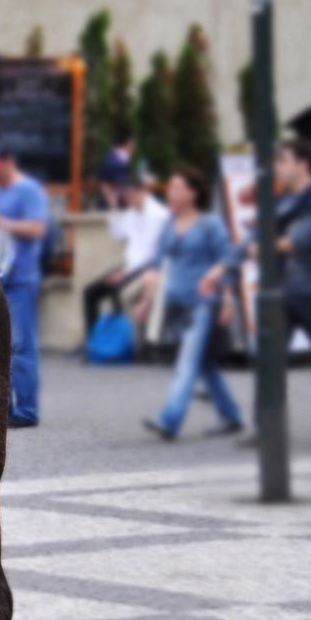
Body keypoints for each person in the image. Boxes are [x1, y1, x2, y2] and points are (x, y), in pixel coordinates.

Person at [204, 138, 311, 443]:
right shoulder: (282, 202)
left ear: (303, 163)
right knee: (269, 358)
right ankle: (266, 427)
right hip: (284, 292)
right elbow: (254, 236)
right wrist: (223, 267)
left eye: (282, 160)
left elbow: (303, 238)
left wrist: (271, 247)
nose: (277, 168)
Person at [138, 168, 244, 440]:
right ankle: (231, 415)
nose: (171, 193)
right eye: (170, 188)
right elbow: (156, 265)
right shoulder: (169, 225)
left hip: (204, 303)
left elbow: (228, 260)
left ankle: (170, 419)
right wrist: (146, 301)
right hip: (177, 304)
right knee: (205, 365)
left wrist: (229, 301)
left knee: (186, 364)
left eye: (176, 187)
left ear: (192, 192)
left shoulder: (210, 223)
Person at [0, 144, 50, 428]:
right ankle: (3, 408)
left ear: (8, 162)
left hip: (21, 278)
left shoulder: (28, 190)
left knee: (21, 345)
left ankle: (27, 410)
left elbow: (38, 229)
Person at [81, 178, 170, 340]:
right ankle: (93, 342)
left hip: (148, 269)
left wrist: (125, 274)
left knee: (118, 290)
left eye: (131, 195)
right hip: (129, 267)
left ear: (142, 191)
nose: (128, 199)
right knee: (90, 292)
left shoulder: (160, 215)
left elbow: (156, 255)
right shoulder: (130, 214)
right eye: (126, 196)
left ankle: (123, 343)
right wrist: (113, 207)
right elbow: (118, 235)